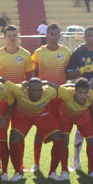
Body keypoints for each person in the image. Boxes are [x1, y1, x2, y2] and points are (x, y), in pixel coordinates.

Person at [65, 26, 93, 170]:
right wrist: (82, 71)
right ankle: (76, 160)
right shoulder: (78, 53)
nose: (91, 38)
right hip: (81, 96)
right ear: (84, 37)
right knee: (80, 128)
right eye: (88, 35)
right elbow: (68, 74)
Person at [3, 77, 64, 182]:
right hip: (23, 116)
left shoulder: (49, 91)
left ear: (42, 89)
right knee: (13, 139)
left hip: (42, 115)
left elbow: (61, 89)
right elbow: (2, 80)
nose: (36, 93)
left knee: (59, 140)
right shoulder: (19, 90)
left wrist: (47, 81)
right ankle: (18, 172)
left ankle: (52, 172)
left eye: (38, 90)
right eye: (33, 90)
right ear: (27, 89)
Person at [30, 23, 71, 171]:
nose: (54, 37)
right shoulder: (38, 52)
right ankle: (36, 163)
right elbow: (34, 74)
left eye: (56, 34)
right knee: (40, 130)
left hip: (60, 97)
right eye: (51, 34)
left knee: (63, 131)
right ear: (46, 35)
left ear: (59, 35)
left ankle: (63, 165)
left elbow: (68, 72)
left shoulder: (66, 52)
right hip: (44, 97)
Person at [51, 77, 93, 180]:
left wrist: (92, 81)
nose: (82, 96)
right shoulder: (67, 93)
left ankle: (91, 170)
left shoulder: (92, 94)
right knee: (64, 142)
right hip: (66, 117)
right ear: (75, 91)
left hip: (82, 116)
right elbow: (54, 86)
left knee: (91, 141)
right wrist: (43, 81)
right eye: (80, 92)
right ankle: (64, 170)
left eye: (85, 93)